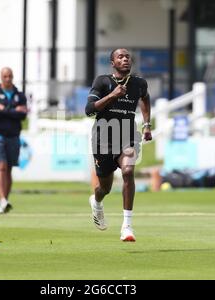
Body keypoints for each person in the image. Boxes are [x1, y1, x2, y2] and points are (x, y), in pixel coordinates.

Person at [85, 48, 152, 242]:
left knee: (128, 171)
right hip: (103, 138)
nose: (125, 59)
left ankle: (127, 226)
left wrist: (147, 124)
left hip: (127, 135)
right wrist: (112, 96)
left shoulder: (139, 83)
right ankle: (96, 202)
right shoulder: (102, 81)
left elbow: (145, 98)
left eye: (127, 56)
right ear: (113, 63)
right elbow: (89, 110)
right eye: (120, 57)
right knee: (104, 188)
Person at [0, 67, 27, 214]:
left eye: (10, 76)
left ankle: (4, 202)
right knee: (1, 166)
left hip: (14, 135)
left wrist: (4, 110)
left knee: (9, 168)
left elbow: (23, 115)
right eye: (5, 76)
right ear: (1, 77)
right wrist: (14, 111)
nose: (8, 79)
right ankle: (2, 200)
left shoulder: (20, 95)